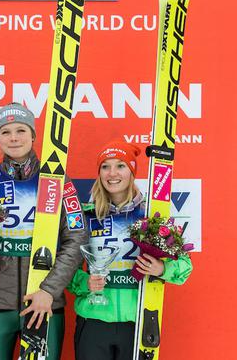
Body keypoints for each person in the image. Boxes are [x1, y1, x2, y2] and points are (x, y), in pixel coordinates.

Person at [0, 102, 88, 360]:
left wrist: (49, 290)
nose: (14, 138)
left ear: (33, 135)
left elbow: (76, 239)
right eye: (6, 132)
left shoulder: (58, 181)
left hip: (43, 302)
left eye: (21, 130)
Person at [67, 140, 193, 360]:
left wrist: (161, 268)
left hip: (137, 321)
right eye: (105, 166)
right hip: (93, 321)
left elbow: (185, 266)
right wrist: (84, 283)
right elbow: (67, 267)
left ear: (132, 171)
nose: (112, 173)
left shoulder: (152, 216)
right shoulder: (86, 216)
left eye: (121, 165)